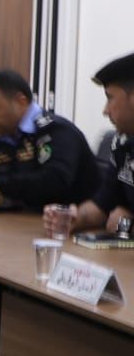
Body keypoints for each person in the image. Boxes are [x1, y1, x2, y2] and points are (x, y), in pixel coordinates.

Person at [0, 69, 98, 212]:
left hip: (71, 221)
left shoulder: (58, 131)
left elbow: (55, 181)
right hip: (20, 219)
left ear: (20, 101)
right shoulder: (2, 136)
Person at [44, 52, 134, 236]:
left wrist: (127, 225)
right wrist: (73, 217)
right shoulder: (123, 144)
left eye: (110, 98)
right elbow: (103, 204)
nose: (105, 110)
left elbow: (122, 222)